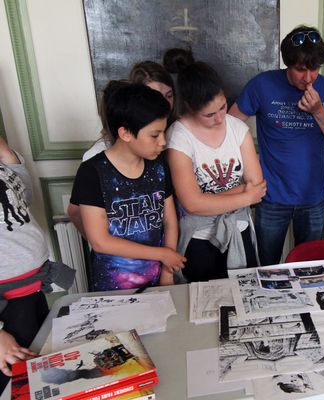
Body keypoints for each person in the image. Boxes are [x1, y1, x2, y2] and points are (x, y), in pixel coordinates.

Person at [229, 25, 324, 265]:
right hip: (271, 197)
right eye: (300, 70)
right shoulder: (262, 84)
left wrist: (318, 111)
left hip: (313, 197)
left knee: (309, 268)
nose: (308, 78)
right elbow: (229, 126)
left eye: (314, 69)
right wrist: (250, 168)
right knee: (265, 267)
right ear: (288, 63)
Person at [70, 83, 185, 290]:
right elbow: (100, 241)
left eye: (164, 133)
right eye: (154, 135)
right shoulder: (92, 173)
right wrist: (163, 255)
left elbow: (169, 221)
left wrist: (167, 272)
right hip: (113, 286)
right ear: (125, 133)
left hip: (159, 279)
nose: (163, 142)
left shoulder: (158, 167)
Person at [167, 61, 265, 282]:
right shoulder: (179, 136)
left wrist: (206, 201)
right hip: (199, 238)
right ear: (190, 107)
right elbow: (192, 205)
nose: (220, 118)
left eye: (223, 107)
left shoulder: (238, 129)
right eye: (209, 114)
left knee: (244, 296)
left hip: (238, 232)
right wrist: (243, 194)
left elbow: (257, 188)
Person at [0, 136, 74, 391]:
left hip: (31, 291)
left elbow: (24, 198)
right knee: (14, 381)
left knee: (36, 370)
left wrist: (6, 154)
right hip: (6, 306)